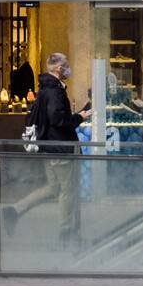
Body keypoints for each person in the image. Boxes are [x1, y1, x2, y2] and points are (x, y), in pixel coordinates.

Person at [26, 52, 92, 247]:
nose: (68, 69)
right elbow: (58, 119)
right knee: (67, 190)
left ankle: (15, 208)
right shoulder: (54, 91)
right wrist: (79, 117)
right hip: (60, 146)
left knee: (54, 187)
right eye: (66, 65)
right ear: (58, 68)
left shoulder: (46, 89)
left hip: (50, 146)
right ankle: (66, 230)